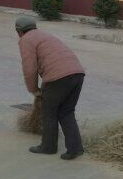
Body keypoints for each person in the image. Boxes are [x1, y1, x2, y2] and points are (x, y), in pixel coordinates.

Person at [16, 16, 85, 160]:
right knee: (66, 111)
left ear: (19, 32)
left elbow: (29, 68)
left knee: (48, 111)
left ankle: (48, 147)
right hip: (78, 73)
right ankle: (75, 148)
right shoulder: (45, 36)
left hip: (59, 77)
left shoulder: (26, 39)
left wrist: (34, 90)